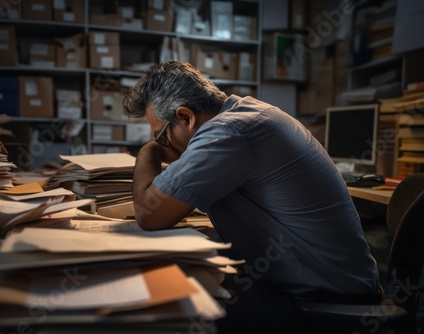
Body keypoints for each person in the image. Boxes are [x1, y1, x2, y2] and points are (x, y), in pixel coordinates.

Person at [122, 60, 381, 333]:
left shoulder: (228, 131)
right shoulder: (247, 113)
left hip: (322, 303)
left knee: (174, 296)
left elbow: (149, 215)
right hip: (331, 286)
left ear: (186, 117)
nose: (163, 145)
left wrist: (148, 151)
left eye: (161, 136)